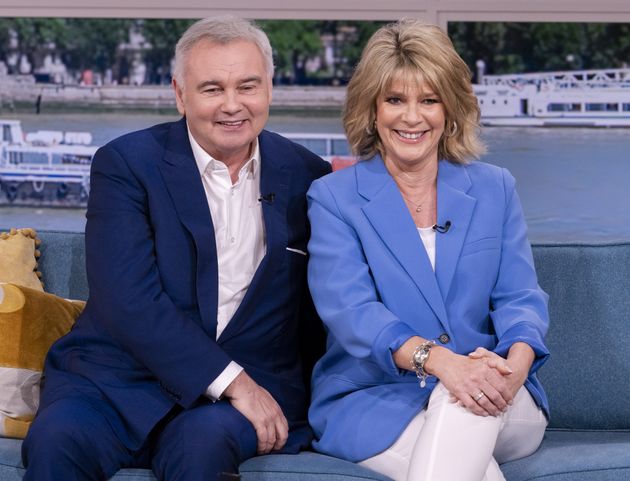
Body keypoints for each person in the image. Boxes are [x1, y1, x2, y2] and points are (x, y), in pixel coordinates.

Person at [22, 15, 330, 481]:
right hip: (116, 380)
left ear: (269, 88)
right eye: (211, 89)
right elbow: (128, 300)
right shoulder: (126, 164)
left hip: (240, 394)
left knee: (201, 449)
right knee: (55, 442)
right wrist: (233, 382)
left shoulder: (309, 174)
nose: (232, 105)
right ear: (179, 94)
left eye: (248, 86)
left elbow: (322, 305)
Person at [306, 19, 549, 481]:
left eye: (429, 100)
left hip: (501, 396)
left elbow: (521, 300)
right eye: (395, 99)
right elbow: (352, 311)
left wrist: (512, 369)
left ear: (450, 109)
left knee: (460, 402)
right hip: (373, 399)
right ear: (372, 110)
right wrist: (444, 365)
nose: (412, 117)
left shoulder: (495, 188)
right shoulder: (334, 197)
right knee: (465, 435)